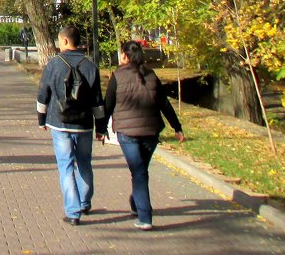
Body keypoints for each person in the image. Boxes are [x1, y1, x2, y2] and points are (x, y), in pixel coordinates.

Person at [104, 40, 185, 231]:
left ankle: (145, 216)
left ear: (124, 55)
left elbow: (108, 104)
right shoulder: (151, 75)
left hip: (127, 132)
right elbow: (164, 103)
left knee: (139, 172)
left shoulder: (117, 76)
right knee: (140, 171)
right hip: (151, 131)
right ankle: (136, 203)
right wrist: (177, 127)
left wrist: (101, 128)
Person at [36, 26, 106, 225]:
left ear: (65, 41)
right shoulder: (91, 66)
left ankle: (73, 212)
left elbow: (43, 95)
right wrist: (101, 127)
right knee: (84, 162)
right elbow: (98, 101)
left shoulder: (54, 64)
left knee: (65, 165)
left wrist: (41, 119)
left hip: (60, 123)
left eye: (59, 40)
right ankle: (84, 202)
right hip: (84, 124)